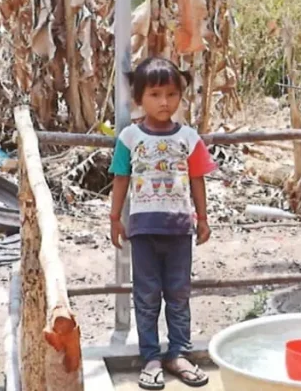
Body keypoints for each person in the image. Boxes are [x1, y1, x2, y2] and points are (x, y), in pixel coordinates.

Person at [109, 57, 216, 390]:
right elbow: (120, 179)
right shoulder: (129, 137)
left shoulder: (188, 137)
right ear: (139, 97)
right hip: (142, 229)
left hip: (180, 228)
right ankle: (151, 357)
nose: (164, 102)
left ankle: (178, 353)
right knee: (146, 295)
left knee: (179, 294)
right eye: (155, 94)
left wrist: (203, 217)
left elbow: (198, 178)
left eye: (171, 94)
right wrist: (114, 217)